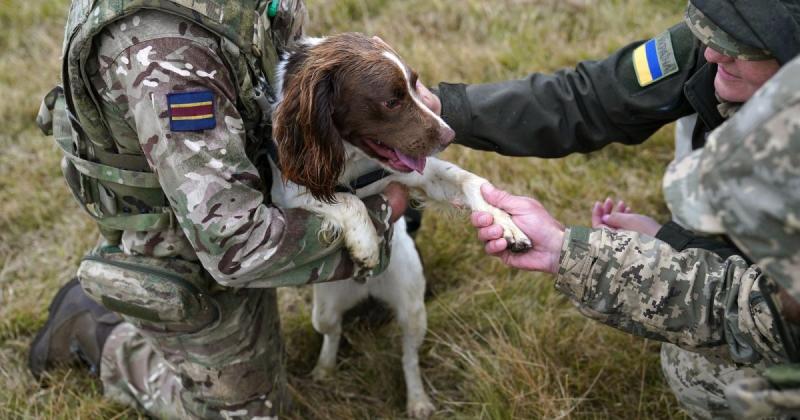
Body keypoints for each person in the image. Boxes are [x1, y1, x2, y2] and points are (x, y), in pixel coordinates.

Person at [29, 0, 409, 417]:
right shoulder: (168, 54)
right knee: (246, 413)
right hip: (190, 236)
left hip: (254, 174)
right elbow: (235, 245)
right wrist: (377, 217)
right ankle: (97, 331)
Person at [466, 33, 800, 420]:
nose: (711, 52)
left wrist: (573, 252)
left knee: (702, 372)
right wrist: (570, 248)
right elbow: (595, 96)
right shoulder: (714, 39)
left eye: (744, 46)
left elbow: (747, 311)